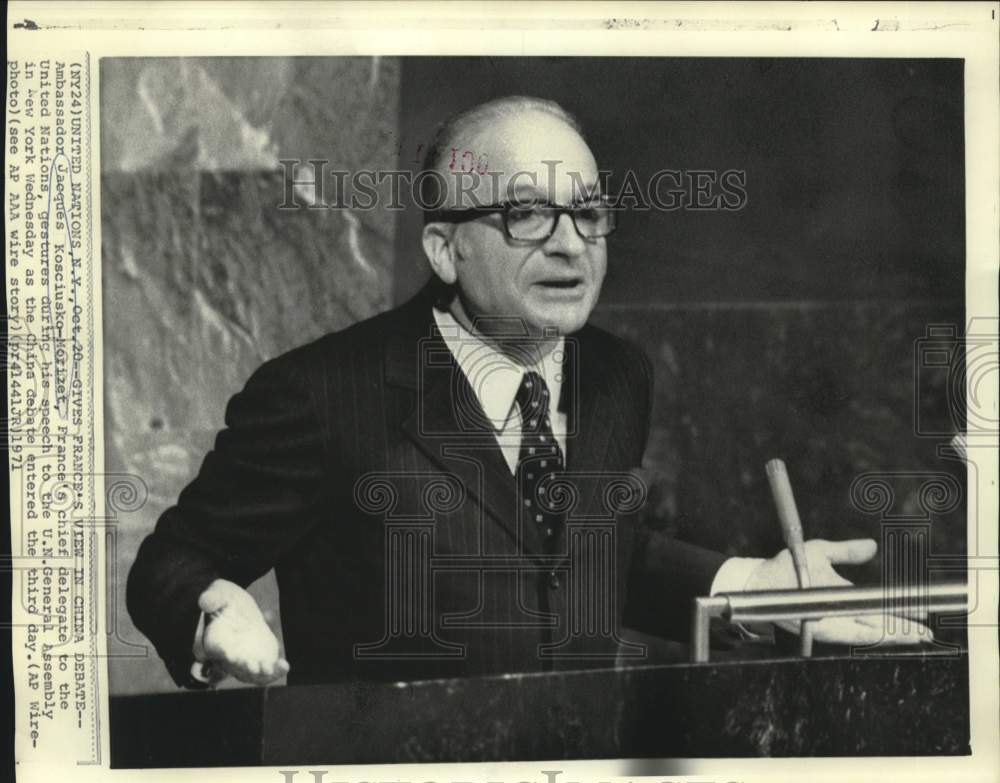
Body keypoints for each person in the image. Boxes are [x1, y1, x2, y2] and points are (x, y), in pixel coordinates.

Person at [126, 95, 931, 689]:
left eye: (587, 213)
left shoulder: (615, 373)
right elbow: (171, 559)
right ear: (445, 249)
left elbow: (582, 545)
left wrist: (743, 586)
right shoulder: (319, 392)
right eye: (526, 216)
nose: (570, 244)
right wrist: (211, 606)